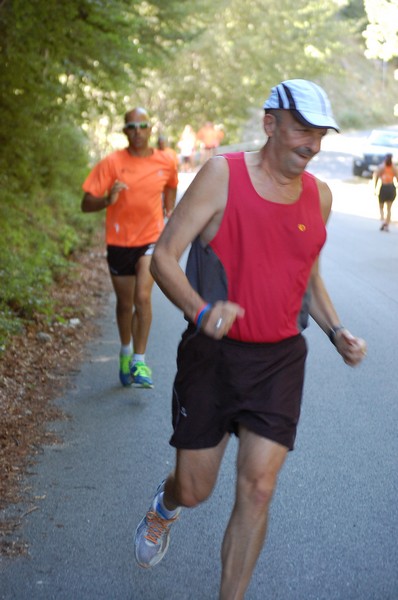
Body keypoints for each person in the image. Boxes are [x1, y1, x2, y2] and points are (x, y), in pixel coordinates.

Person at [134, 80, 367, 598]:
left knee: (259, 488)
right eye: (302, 130)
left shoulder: (319, 195)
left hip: (281, 359)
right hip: (213, 356)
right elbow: (164, 256)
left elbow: (305, 272)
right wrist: (200, 311)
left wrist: (335, 330)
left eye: (320, 134)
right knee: (195, 489)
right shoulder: (222, 176)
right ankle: (165, 505)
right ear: (270, 124)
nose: (313, 145)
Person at [81, 108, 178, 388]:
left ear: (150, 129)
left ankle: (139, 361)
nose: (138, 131)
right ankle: (125, 352)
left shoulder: (165, 161)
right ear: (125, 131)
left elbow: (171, 184)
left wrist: (168, 208)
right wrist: (107, 201)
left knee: (143, 297)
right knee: (125, 304)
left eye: (142, 126)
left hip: (150, 239)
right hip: (120, 242)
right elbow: (86, 203)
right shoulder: (111, 163)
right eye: (132, 126)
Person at [373, 153, 397, 232]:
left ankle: (383, 222)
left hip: (384, 188)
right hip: (391, 188)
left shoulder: (381, 167)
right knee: (389, 208)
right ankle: (386, 224)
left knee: (381, 207)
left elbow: (376, 177)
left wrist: (375, 188)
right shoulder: (394, 168)